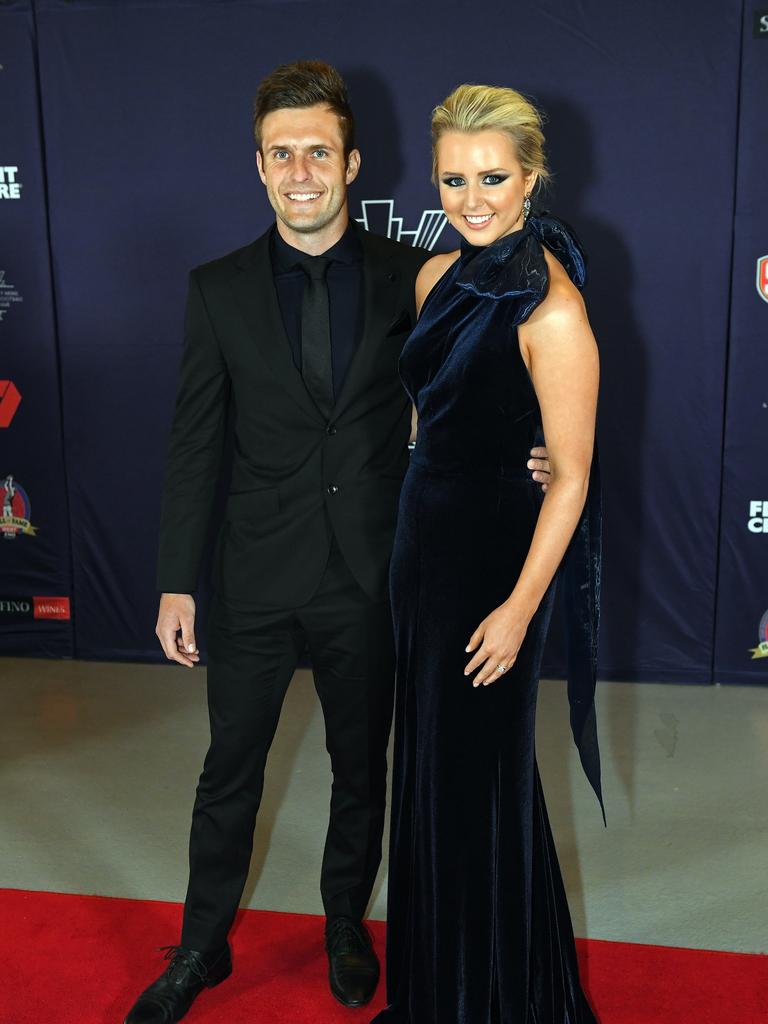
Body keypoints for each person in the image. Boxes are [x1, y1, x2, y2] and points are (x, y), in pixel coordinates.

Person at [124, 59, 555, 1024]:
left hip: (372, 572)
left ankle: (345, 925)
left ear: (352, 161)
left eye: (319, 150)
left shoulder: (417, 273)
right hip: (254, 576)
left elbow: (482, 374)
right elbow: (196, 442)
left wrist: (530, 450)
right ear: (261, 168)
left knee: (362, 769)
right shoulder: (218, 290)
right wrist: (174, 582)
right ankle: (200, 948)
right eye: (282, 154)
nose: (301, 171)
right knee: (228, 769)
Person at [371, 85, 603, 1024]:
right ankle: (435, 993)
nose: (472, 199)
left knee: (483, 780)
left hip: (498, 568)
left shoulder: (553, 309)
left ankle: (497, 1000)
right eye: (453, 179)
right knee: (429, 770)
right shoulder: (435, 278)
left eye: (493, 178)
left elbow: (574, 477)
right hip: (423, 546)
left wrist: (516, 608)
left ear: (532, 178)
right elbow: (432, 418)